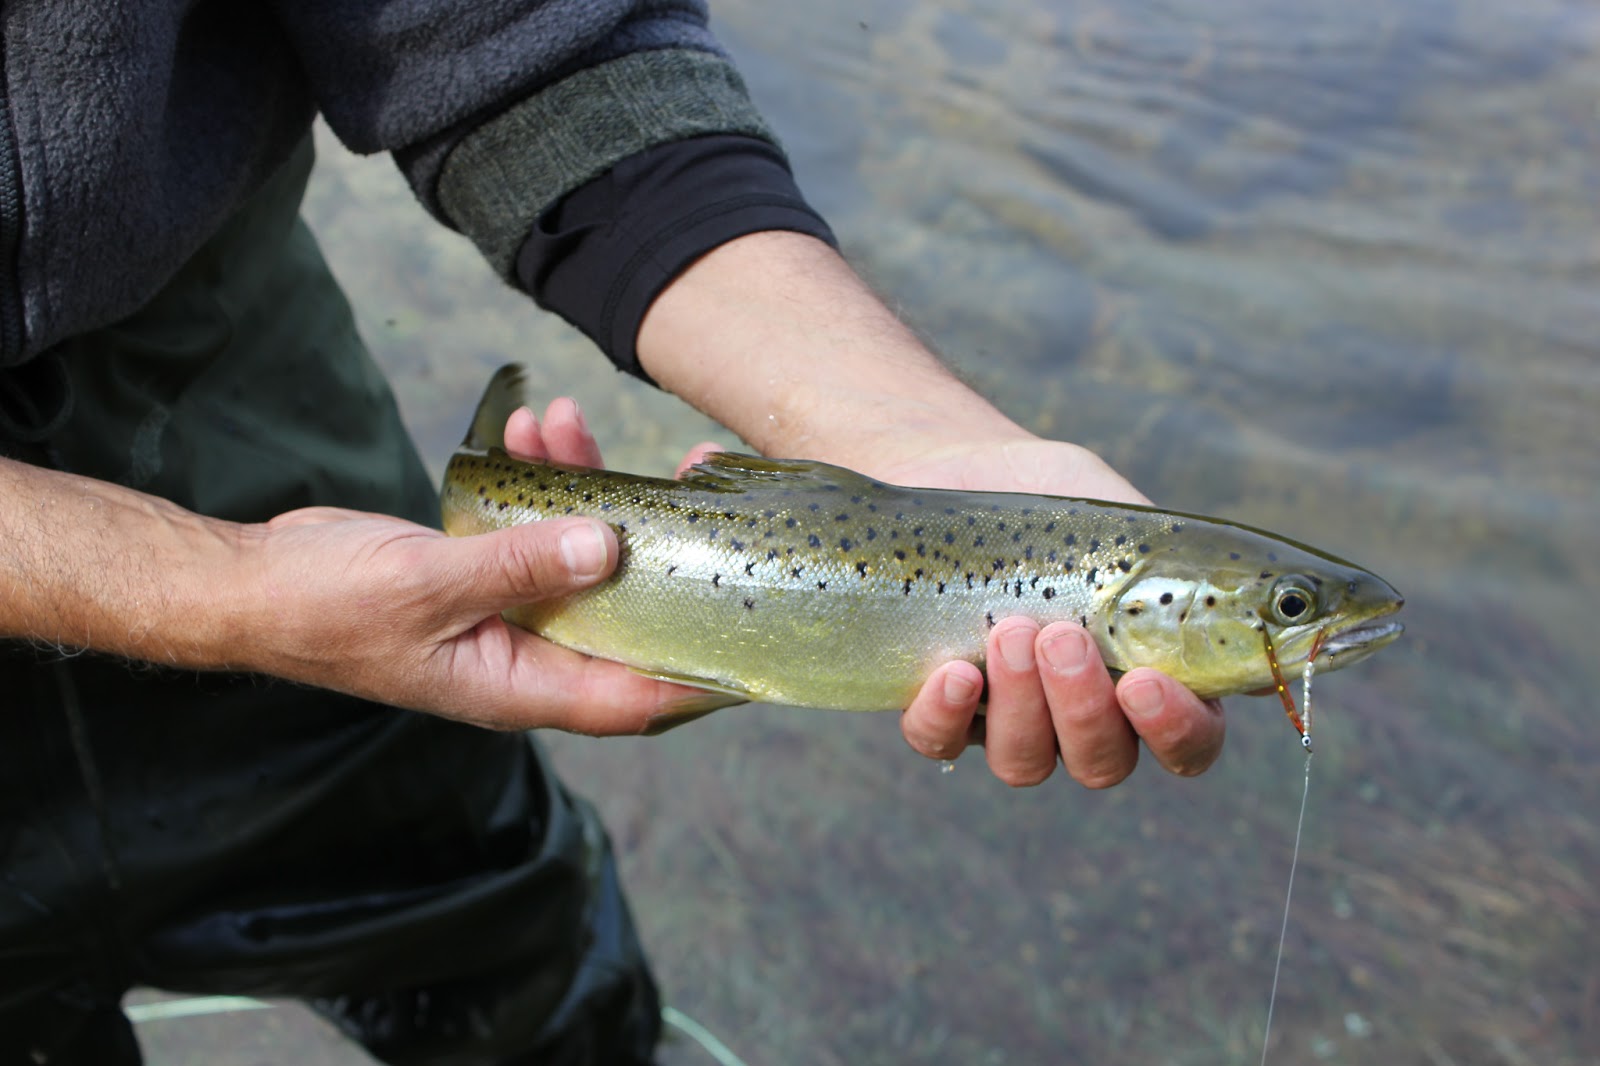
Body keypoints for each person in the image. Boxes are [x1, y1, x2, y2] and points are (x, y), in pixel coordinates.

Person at [0, 2, 1224, 1063]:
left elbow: (536, 49)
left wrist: (917, 441)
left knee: (506, 943)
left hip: (198, 338)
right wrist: (220, 591)